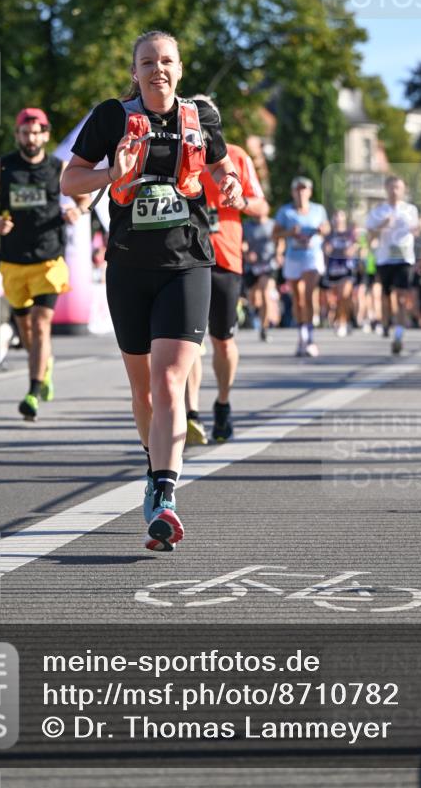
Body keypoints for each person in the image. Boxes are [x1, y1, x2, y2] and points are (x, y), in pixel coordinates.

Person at [61, 30, 243, 551]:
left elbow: (219, 166)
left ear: (179, 69)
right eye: (147, 62)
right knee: (142, 391)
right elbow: (68, 182)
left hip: (187, 263)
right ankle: (154, 463)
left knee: (168, 385)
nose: (157, 69)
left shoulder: (201, 118)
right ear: (134, 71)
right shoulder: (111, 118)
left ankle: (164, 496)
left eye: (166, 61)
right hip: (127, 268)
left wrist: (227, 183)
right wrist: (105, 174)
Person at [0, 107, 88, 420]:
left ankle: (33, 391)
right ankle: (44, 364)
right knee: (25, 329)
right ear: (18, 136)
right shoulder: (3, 167)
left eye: (37, 133)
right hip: (13, 260)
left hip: (49, 258)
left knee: (41, 323)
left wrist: (78, 212)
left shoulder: (59, 166)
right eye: (25, 133)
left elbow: (83, 198)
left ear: (46, 135)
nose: (31, 138)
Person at [185, 131, 269, 445]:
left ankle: (222, 404)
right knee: (188, 340)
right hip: (187, 257)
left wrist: (241, 201)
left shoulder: (236, 156)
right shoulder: (177, 150)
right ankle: (191, 412)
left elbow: (262, 206)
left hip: (225, 259)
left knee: (222, 341)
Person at [273, 176, 330, 357]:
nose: (301, 192)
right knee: (297, 299)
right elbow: (275, 235)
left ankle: (311, 338)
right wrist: (290, 232)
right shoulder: (285, 212)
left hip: (312, 257)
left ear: (310, 192)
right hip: (293, 257)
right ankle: (301, 336)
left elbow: (327, 227)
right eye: (297, 189)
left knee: (309, 295)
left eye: (304, 189)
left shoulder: (318, 210)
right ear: (293, 192)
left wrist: (322, 230)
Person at [365, 175, 420, 354]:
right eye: (391, 187)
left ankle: (399, 333)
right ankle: (387, 321)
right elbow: (369, 237)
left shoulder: (410, 210)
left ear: (403, 190)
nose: (394, 191)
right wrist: (382, 225)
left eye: (398, 188)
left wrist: (418, 228)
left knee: (402, 296)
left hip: (404, 258)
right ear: (386, 189)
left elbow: (418, 229)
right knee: (387, 297)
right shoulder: (378, 211)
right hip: (384, 258)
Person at [243, 212, 281, 342]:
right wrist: (247, 253)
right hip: (252, 266)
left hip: (268, 264)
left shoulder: (273, 224)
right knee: (254, 300)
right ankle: (259, 315)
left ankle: (264, 328)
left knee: (265, 293)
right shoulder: (246, 225)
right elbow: (242, 243)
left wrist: (279, 254)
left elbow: (280, 241)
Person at [322, 209, 357, 337]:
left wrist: (352, 250)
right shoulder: (329, 235)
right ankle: (345, 320)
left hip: (346, 269)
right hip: (333, 269)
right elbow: (325, 251)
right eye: (335, 216)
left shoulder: (350, 234)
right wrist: (326, 251)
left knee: (344, 295)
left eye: (340, 216)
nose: (338, 219)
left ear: (344, 219)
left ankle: (342, 322)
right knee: (336, 299)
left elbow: (356, 247)